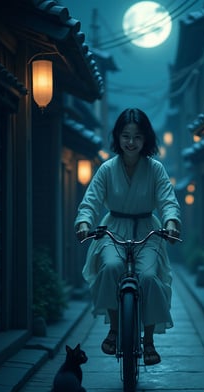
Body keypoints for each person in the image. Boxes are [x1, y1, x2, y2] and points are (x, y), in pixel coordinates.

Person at [75, 108, 181, 365]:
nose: (131, 142)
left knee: (148, 277)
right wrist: (85, 222)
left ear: (146, 139)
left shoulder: (155, 169)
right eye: (125, 136)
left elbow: (167, 200)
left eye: (137, 136)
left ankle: (148, 340)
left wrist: (170, 223)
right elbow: (91, 201)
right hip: (112, 228)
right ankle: (114, 326)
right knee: (111, 267)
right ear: (117, 138)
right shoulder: (106, 169)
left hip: (148, 229)